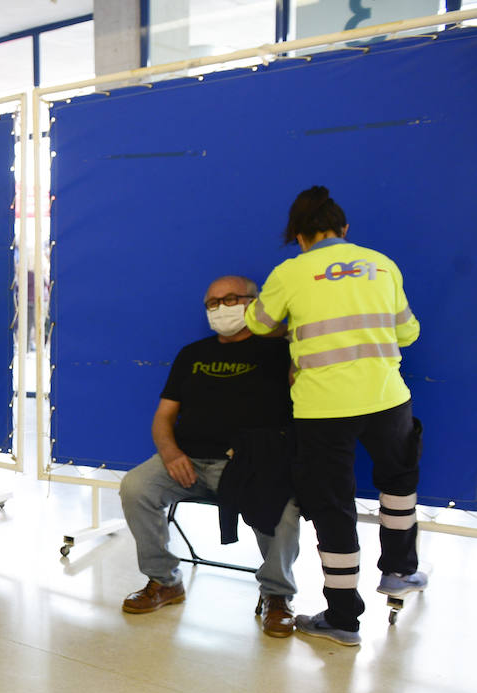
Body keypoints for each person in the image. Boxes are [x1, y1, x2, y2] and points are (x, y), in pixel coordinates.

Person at [247, 186, 424, 647]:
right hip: (388, 399)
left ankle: (344, 620)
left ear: (299, 237)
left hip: (323, 409)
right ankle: (400, 572)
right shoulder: (382, 264)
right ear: (344, 230)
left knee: (333, 508)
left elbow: (259, 325)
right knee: (398, 486)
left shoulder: (291, 271)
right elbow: (408, 332)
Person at [117, 275, 301, 635]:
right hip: (189, 463)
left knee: (285, 511)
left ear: (254, 302)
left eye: (231, 298)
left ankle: (276, 597)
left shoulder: (281, 353)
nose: (221, 308)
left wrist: (284, 334)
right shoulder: (192, 354)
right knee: (135, 487)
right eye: (213, 303)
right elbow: (163, 417)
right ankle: (165, 580)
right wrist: (170, 455)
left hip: (252, 466)